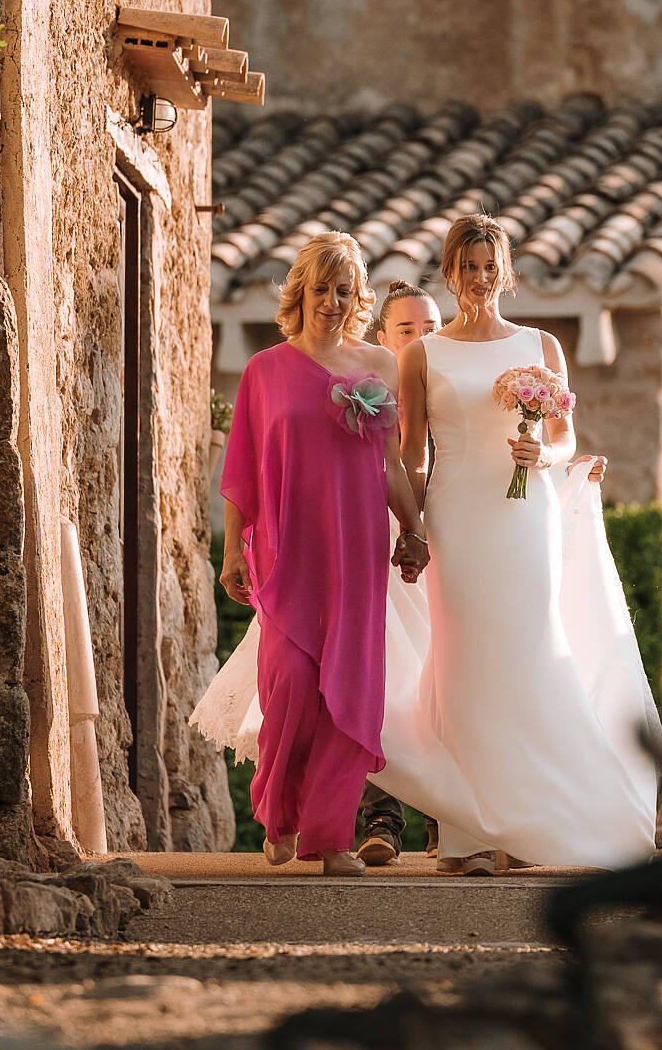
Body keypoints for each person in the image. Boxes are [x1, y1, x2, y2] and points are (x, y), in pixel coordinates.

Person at [368, 214, 661, 874]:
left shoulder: (541, 345)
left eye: (489, 265)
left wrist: (543, 451)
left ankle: (531, 822)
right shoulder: (424, 354)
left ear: (507, 270)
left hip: (526, 521)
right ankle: (467, 836)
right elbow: (412, 454)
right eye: (467, 267)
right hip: (457, 521)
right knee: (464, 660)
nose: (478, 278)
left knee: (529, 653)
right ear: (450, 273)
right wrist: (409, 529)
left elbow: (566, 438)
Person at [193, 232, 428, 876]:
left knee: (346, 692)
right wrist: (233, 551)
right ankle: (276, 813)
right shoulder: (265, 370)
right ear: (300, 293)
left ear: (358, 297)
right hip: (287, 551)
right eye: (320, 289)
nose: (330, 301)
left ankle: (330, 837)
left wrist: (413, 530)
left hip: (357, 553)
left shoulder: (379, 365)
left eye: (343, 290)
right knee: (291, 686)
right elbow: (240, 468)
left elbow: (392, 467)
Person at [357, 281, 442, 865]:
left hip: (461, 544)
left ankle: (450, 816)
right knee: (384, 679)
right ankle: (382, 817)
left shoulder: (460, 392)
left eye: (431, 329)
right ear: (382, 340)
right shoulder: (366, 399)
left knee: (447, 677)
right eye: (407, 330)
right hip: (383, 544)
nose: (420, 342)